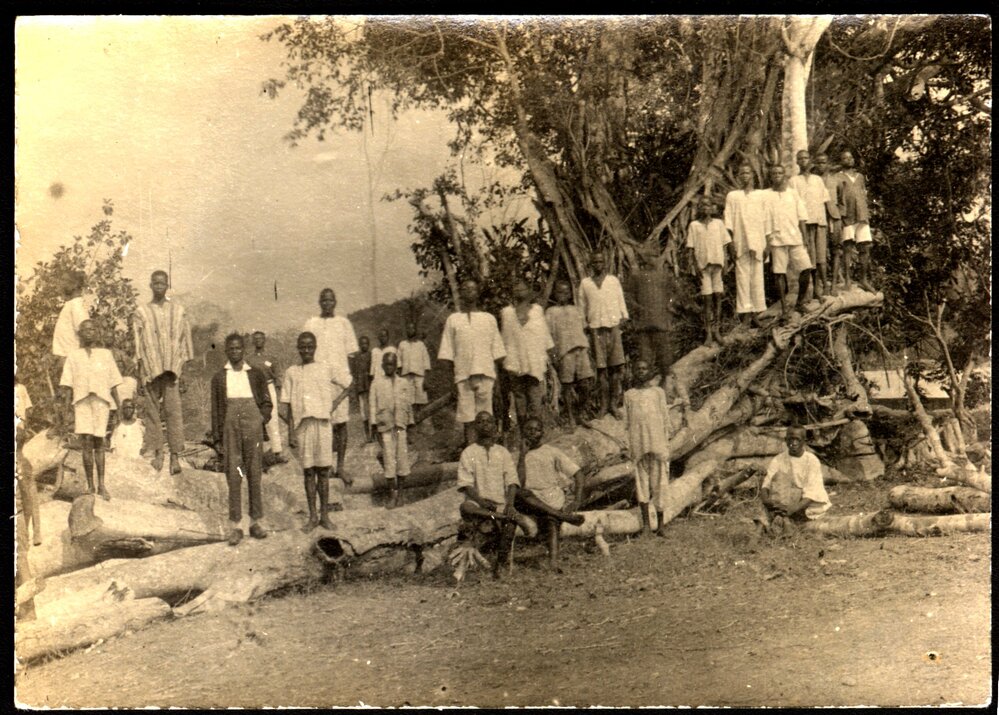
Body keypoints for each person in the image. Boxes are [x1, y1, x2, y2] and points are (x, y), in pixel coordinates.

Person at [211, 333, 273, 546]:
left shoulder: (255, 374)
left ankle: (256, 522)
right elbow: (216, 409)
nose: (235, 352)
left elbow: (267, 401)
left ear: (243, 350)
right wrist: (218, 437)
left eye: (238, 348)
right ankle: (236, 526)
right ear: (226, 351)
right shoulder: (220, 377)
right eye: (231, 349)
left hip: (252, 424)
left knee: (254, 471)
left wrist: (260, 419)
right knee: (234, 473)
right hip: (230, 426)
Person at [281, 331, 346, 531]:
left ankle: (325, 516)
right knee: (309, 472)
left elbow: (348, 384)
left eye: (310, 346)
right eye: (303, 346)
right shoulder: (292, 371)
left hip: (323, 425)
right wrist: (291, 431)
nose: (306, 350)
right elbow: (289, 405)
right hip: (303, 427)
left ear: (315, 347)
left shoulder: (325, 368)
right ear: (298, 348)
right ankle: (312, 517)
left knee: (323, 471)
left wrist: (334, 404)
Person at [133, 269, 193, 475]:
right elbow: (137, 344)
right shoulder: (141, 312)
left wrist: (184, 371)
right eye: (155, 283)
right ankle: (159, 452)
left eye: (162, 283)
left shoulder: (178, 310)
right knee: (152, 413)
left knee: (173, 412)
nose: (159, 286)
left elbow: (185, 341)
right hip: (151, 368)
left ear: (167, 285)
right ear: (150, 285)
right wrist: (140, 373)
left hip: (171, 370)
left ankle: (174, 456)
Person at [59, 319, 123, 500]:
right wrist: (65, 411)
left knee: (99, 442)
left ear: (97, 333)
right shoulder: (73, 356)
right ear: (80, 334)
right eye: (85, 330)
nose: (89, 332)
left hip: (101, 402)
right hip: (82, 402)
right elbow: (67, 386)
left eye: (92, 329)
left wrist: (116, 406)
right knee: (86, 442)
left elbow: (113, 384)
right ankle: (90, 485)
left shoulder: (105, 354)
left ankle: (102, 485)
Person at [438, 279, 506, 446]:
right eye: (465, 289)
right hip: (463, 377)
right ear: (461, 293)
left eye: (473, 289)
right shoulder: (453, 320)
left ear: (477, 293)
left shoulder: (488, 319)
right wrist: (451, 382)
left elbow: (497, 352)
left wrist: (497, 381)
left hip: (486, 375)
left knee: (486, 418)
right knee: (468, 419)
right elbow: (447, 353)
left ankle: (487, 452)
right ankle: (471, 453)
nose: (469, 292)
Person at [303, 288, 359, 490]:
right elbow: (305, 351)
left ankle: (341, 466)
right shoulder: (311, 323)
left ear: (335, 302)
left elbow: (352, 356)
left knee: (341, 424)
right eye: (323, 300)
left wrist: (350, 383)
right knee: (321, 423)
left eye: (330, 300)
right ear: (319, 302)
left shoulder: (344, 323)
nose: (327, 303)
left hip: (340, 379)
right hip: (319, 380)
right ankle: (324, 467)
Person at [456, 411, 521, 578]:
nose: (485, 425)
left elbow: (512, 481)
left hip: (499, 503)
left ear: (494, 426)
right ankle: (498, 517)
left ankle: (500, 565)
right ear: (475, 427)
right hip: (478, 504)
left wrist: (510, 505)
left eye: (488, 421)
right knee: (465, 507)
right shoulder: (469, 452)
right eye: (480, 422)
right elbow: (466, 485)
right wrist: (482, 502)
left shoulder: (503, 452)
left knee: (510, 521)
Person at [516, 417, 586, 569]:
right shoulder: (519, 455)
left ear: (542, 433)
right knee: (521, 493)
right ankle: (563, 517)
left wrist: (577, 500)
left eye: (536, 430)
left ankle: (553, 561)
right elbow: (519, 483)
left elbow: (578, 474)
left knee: (550, 518)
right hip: (529, 499)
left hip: (550, 498)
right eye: (528, 430)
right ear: (523, 433)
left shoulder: (551, 452)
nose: (532, 433)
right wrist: (522, 455)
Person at [622, 359, 672, 538]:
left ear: (651, 371)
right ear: (633, 372)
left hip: (657, 444)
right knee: (642, 485)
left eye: (645, 368)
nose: (641, 371)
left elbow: (665, 419)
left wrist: (666, 443)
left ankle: (660, 525)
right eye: (638, 369)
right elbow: (626, 423)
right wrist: (629, 446)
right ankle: (645, 526)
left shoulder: (658, 393)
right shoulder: (629, 395)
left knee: (660, 485)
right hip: (639, 446)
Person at [578, 250, 629, 418]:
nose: (598, 265)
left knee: (616, 368)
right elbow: (581, 307)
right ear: (591, 265)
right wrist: (585, 326)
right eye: (595, 263)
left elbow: (621, 301)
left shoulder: (613, 281)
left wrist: (623, 318)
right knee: (601, 371)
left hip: (613, 327)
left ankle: (614, 404)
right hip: (595, 329)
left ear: (604, 263)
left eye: (600, 262)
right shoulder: (585, 283)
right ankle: (604, 405)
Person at [500, 279, 555, 430]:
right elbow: (505, 338)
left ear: (528, 292)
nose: (519, 292)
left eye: (522, 289)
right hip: (515, 360)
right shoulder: (506, 313)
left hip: (534, 360)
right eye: (516, 290)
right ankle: (523, 431)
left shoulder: (537, 310)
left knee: (535, 396)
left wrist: (549, 355)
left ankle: (536, 431)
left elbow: (544, 335)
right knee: (519, 398)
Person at [759, 426, 832, 535]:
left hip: (805, 505)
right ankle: (775, 524)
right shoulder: (778, 459)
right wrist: (765, 500)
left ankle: (784, 522)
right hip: (784, 502)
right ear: (785, 440)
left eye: (797, 439)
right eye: (790, 439)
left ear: (804, 441)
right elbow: (767, 483)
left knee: (790, 490)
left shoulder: (811, 461)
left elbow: (812, 492)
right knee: (779, 478)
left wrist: (791, 509)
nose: (793, 443)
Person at [763, 164, 814, 320]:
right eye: (774, 173)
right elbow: (762, 219)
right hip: (777, 239)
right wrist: (766, 241)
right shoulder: (765, 195)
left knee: (806, 268)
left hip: (795, 238)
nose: (777, 175)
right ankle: (785, 307)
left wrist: (805, 237)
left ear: (784, 175)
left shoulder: (793, 194)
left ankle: (799, 302)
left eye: (780, 172)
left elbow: (802, 217)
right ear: (770, 176)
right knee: (779, 273)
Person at [624, 247, 680, 386]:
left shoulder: (664, 275)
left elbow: (676, 292)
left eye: (655, 256)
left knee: (665, 356)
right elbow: (628, 296)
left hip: (660, 322)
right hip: (643, 324)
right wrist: (637, 308)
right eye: (649, 256)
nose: (652, 260)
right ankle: (645, 385)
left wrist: (669, 305)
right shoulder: (636, 277)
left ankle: (666, 385)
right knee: (644, 356)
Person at [724, 164, 768, 327]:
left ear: (753, 175)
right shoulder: (733, 196)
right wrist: (730, 244)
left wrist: (767, 244)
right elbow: (728, 221)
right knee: (742, 279)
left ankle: (756, 314)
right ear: (738, 176)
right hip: (740, 242)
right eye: (741, 173)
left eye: (747, 173)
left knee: (757, 279)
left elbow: (767, 219)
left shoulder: (761, 195)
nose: (745, 176)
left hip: (758, 242)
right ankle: (745, 316)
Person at [545, 280, 593, 427]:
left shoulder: (576, 309)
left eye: (566, 292)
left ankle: (580, 413)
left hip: (581, 349)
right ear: (554, 293)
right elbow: (548, 335)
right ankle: (571, 416)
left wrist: (587, 348)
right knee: (567, 385)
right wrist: (553, 356)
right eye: (560, 292)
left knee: (585, 384)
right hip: (565, 352)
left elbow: (584, 329)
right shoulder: (550, 312)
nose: (563, 295)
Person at [369, 352, 414, 509]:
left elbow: (408, 404)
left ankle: (401, 494)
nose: (390, 367)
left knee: (401, 460)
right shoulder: (376, 383)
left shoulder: (403, 383)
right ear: (382, 365)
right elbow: (372, 405)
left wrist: (411, 423)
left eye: (392, 364)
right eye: (387, 364)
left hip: (401, 426)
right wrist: (374, 425)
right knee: (389, 460)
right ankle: (392, 494)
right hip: (385, 426)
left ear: (396, 366)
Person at [686, 196, 733, 345]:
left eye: (708, 205)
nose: (705, 208)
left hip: (717, 266)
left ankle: (717, 331)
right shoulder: (694, 225)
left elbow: (725, 244)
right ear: (699, 208)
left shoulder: (718, 224)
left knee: (718, 298)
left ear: (712, 208)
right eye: (702, 205)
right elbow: (691, 249)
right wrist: (695, 266)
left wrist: (725, 263)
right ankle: (708, 334)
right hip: (703, 267)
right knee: (707, 300)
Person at [789, 150, 832, 301]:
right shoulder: (793, 181)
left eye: (806, 158)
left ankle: (821, 288)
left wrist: (829, 222)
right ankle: (811, 291)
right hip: (804, 224)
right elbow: (792, 204)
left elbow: (825, 202)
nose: (804, 161)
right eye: (800, 158)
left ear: (810, 160)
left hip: (819, 221)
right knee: (809, 259)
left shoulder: (817, 180)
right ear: (797, 162)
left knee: (821, 256)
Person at [245, 330, 287, 464]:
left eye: (260, 339)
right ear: (252, 341)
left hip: (269, 388)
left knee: (272, 419)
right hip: (253, 390)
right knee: (254, 420)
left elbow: (278, 376)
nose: (258, 341)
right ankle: (255, 454)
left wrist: (280, 393)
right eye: (255, 339)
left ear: (264, 340)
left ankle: (277, 452)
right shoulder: (249, 359)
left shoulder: (271, 357)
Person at [836, 150, 875, 292]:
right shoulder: (837, 177)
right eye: (845, 158)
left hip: (862, 216)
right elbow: (836, 199)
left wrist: (865, 212)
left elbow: (863, 195)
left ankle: (863, 280)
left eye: (850, 157)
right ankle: (847, 280)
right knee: (848, 248)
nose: (849, 160)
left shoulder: (860, 177)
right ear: (841, 161)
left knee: (865, 248)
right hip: (847, 217)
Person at [15, 376, 42, 546]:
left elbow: (27, 415)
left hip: (17, 437)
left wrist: (22, 432)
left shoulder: (20, 388)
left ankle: (36, 531)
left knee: (28, 491)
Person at [813, 152, 844, 295]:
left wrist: (840, 217)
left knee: (835, 250)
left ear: (828, 163)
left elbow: (841, 201)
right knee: (820, 252)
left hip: (834, 218)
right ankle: (822, 284)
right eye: (818, 162)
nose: (821, 165)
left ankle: (834, 286)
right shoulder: (812, 180)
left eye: (824, 162)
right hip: (819, 219)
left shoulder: (836, 179)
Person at [51, 270, 89, 369]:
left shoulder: (77, 305)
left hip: (72, 359)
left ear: (74, 285)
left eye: (64, 281)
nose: (61, 284)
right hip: (66, 358)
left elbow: (86, 333)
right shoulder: (71, 304)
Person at [397, 322, 432, 407]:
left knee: (421, 402)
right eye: (408, 328)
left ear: (415, 330)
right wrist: (400, 380)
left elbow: (426, 363)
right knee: (408, 403)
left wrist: (426, 379)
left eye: (412, 328)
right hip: (406, 378)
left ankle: (422, 420)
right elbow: (399, 363)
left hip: (419, 378)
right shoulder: (402, 344)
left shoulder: (420, 345)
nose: (410, 330)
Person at [351, 336, 374, 443]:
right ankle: (367, 435)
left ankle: (374, 434)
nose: (364, 346)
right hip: (361, 388)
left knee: (372, 411)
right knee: (364, 413)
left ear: (368, 345)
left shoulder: (371, 355)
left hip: (370, 387)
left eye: (366, 344)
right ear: (359, 345)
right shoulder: (356, 357)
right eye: (362, 344)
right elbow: (354, 373)